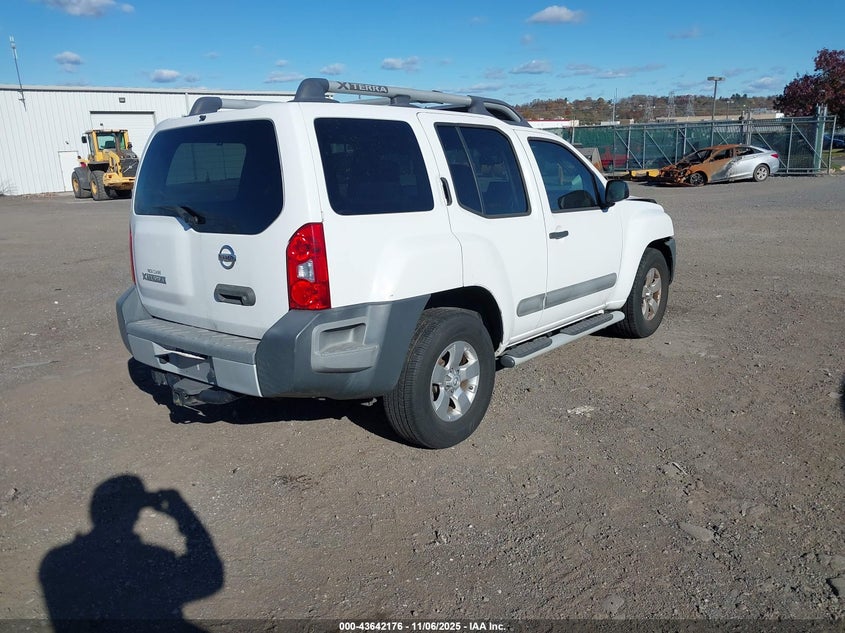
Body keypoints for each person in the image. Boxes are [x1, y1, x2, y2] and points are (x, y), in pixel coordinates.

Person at [39, 474, 224, 632]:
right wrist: (183, 513)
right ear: (135, 514)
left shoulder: (55, 561)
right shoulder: (151, 559)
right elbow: (211, 577)